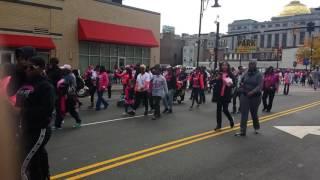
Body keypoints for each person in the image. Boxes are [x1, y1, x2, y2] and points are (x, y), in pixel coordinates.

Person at [16, 56, 55, 180]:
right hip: (26, 128)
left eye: (31, 67)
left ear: (41, 68)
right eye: (25, 67)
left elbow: (46, 110)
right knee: (37, 159)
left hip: (39, 130)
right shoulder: (24, 83)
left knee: (23, 164)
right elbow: (18, 103)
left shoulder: (46, 86)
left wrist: (22, 111)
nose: (27, 69)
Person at [235, 60, 263, 137]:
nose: (251, 65)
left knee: (254, 113)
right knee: (244, 114)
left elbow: (260, 86)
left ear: (255, 65)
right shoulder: (246, 73)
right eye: (250, 64)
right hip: (245, 95)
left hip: (255, 97)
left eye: (253, 64)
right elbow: (241, 81)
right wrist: (240, 84)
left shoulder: (259, 75)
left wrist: (252, 92)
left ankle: (256, 127)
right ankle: (242, 131)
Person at [54, 64, 82, 129]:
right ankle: (57, 124)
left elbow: (61, 84)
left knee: (71, 110)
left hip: (69, 96)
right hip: (65, 96)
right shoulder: (66, 76)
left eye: (63, 69)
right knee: (61, 110)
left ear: (67, 70)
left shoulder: (69, 76)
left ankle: (78, 122)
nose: (62, 70)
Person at [213, 62, 235, 131]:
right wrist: (217, 78)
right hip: (219, 94)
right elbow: (213, 81)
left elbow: (234, 84)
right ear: (221, 66)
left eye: (226, 65)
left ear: (228, 66)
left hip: (226, 94)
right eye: (223, 65)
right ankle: (219, 125)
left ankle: (231, 120)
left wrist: (231, 84)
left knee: (225, 109)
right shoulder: (219, 73)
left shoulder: (230, 74)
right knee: (218, 110)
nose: (224, 66)